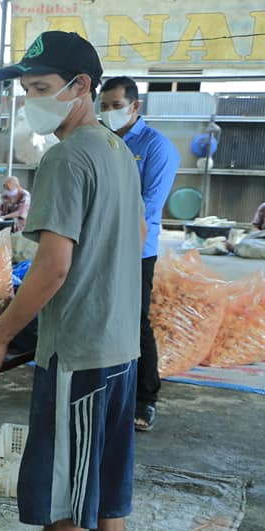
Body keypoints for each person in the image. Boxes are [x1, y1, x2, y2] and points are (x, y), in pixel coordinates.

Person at [0, 32, 145, 531]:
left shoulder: (65, 158)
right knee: (104, 484)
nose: (31, 103)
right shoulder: (117, 151)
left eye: (42, 90)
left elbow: (52, 267)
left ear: (81, 89)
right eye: (26, 91)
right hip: (121, 347)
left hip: (81, 355)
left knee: (69, 494)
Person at [100, 75, 180, 432]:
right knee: (104, 317)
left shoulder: (156, 146)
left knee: (134, 321)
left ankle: (145, 399)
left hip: (136, 249)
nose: (109, 113)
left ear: (135, 106)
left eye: (116, 106)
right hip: (100, 244)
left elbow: (149, 206)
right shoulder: (104, 141)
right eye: (103, 107)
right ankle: (108, 387)